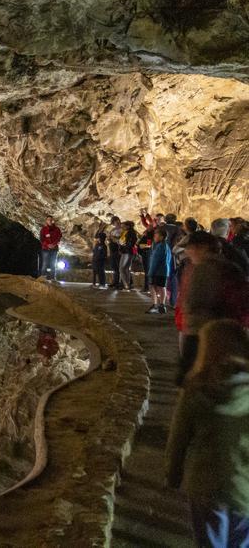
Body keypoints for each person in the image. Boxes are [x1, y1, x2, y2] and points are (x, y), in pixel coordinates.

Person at [167, 320, 249, 548]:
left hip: (206, 484)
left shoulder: (194, 389)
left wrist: (173, 475)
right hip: (244, 487)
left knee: (210, 542)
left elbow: (178, 439)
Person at [176, 231, 249, 382]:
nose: (188, 252)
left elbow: (195, 301)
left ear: (202, 248)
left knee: (195, 378)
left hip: (203, 332)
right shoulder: (229, 266)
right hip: (229, 331)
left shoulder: (204, 268)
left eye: (190, 248)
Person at [146, 226, 173, 314]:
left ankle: (155, 305)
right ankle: (162, 306)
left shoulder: (159, 247)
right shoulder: (166, 246)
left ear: (161, 236)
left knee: (152, 286)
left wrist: (151, 272)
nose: (154, 237)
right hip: (164, 271)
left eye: (156, 235)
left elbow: (155, 260)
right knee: (162, 287)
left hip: (158, 271)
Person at [39, 215, 62, 281]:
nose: (50, 221)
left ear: (53, 221)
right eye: (48, 219)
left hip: (54, 249)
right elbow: (41, 239)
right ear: (46, 221)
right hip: (45, 249)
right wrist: (48, 245)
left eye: (51, 219)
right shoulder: (43, 229)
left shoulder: (57, 229)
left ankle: (52, 277)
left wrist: (53, 244)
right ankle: (43, 277)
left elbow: (59, 237)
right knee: (45, 263)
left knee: (53, 263)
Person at [119, 221, 138, 291]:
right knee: (126, 269)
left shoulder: (131, 233)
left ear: (128, 226)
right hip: (125, 251)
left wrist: (124, 246)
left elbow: (133, 243)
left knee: (121, 268)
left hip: (127, 252)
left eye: (123, 226)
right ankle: (127, 285)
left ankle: (126, 285)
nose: (122, 227)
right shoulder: (125, 232)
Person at [108, 216, 123, 289]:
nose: (115, 224)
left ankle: (122, 283)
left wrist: (113, 238)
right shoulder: (113, 230)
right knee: (114, 267)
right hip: (112, 250)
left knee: (120, 267)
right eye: (114, 223)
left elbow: (120, 240)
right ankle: (115, 282)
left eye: (116, 222)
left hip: (118, 249)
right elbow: (110, 237)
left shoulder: (122, 229)